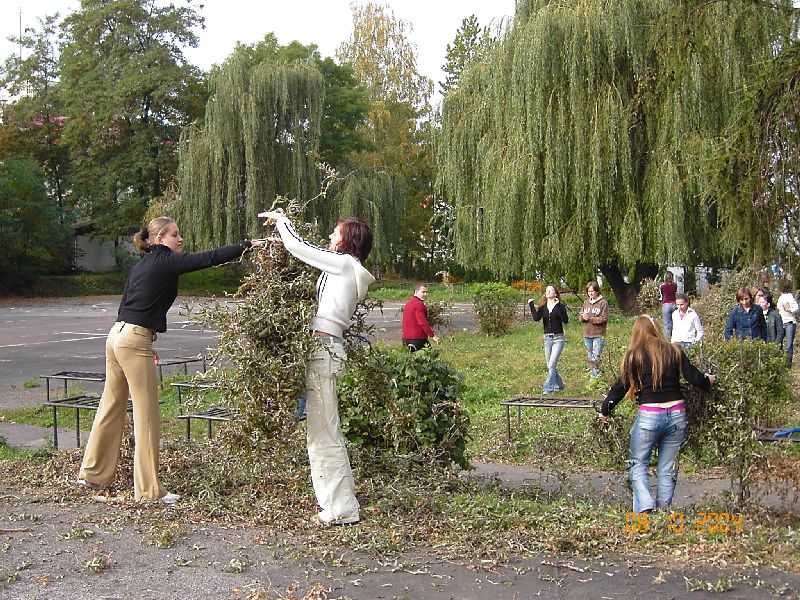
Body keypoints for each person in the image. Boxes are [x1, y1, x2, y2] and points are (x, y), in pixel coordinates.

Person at [78, 217, 259, 503]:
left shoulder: (141, 264)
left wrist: (145, 340)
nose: (180, 239)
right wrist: (245, 246)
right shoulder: (165, 260)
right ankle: (149, 491)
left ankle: (92, 474)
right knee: (147, 414)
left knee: (110, 405)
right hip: (133, 339)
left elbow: (127, 302)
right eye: (175, 234)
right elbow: (209, 258)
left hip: (117, 335)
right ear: (160, 238)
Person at [260, 209, 374, 527]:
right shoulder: (345, 268)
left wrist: (282, 222)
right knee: (323, 431)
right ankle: (338, 503)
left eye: (336, 232)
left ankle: (341, 509)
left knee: (324, 434)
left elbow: (298, 247)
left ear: (348, 240)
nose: (330, 236)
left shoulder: (344, 264)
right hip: (324, 350)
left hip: (324, 351)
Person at [599, 315, 715, 513]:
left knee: (637, 463)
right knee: (667, 467)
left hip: (650, 416)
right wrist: (708, 380)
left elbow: (620, 388)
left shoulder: (634, 355)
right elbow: (695, 378)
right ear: (656, 329)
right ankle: (662, 512)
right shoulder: (674, 350)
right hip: (677, 414)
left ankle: (645, 505)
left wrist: (605, 411)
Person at [528, 285, 569, 394]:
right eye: (547, 290)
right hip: (547, 339)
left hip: (558, 338)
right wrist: (531, 305)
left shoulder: (560, 306)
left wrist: (557, 305)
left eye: (551, 290)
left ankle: (547, 388)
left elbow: (565, 320)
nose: (548, 292)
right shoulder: (543, 307)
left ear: (555, 294)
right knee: (550, 366)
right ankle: (560, 385)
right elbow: (536, 318)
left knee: (551, 364)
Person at [579, 281, 608, 378]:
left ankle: (594, 376)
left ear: (597, 291)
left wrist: (590, 319)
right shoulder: (586, 302)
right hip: (587, 333)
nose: (590, 293)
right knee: (590, 355)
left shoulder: (603, 303)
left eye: (592, 291)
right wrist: (583, 317)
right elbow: (580, 316)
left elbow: (604, 318)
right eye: (589, 291)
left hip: (598, 334)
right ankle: (595, 372)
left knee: (596, 355)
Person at [401, 284, 439, 351]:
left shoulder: (408, 303)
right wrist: (432, 336)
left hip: (406, 339)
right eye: (423, 292)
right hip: (418, 339)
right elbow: (422, 322)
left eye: (426, 292)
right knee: (430, 355)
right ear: (416, 292)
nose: (425, 294)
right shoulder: (419, 304)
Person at [776, 280, 799, 366]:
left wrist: (789, 309)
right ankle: (780, 362)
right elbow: (778, 308)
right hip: (781, 322)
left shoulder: (789, 296)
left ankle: (788, 364)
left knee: (789, 344)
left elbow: (796, 308)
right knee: (779, 342)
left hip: (790, 322)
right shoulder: (780, 297)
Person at [660, 271, 678, 341]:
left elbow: (662, 294)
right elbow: (675, 293)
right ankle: (675, 338)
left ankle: (668, 341)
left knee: (667, 324)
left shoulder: (662, 286)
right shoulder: (675, 285)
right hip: (674, 304)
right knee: (675, 323)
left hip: (666, 304)